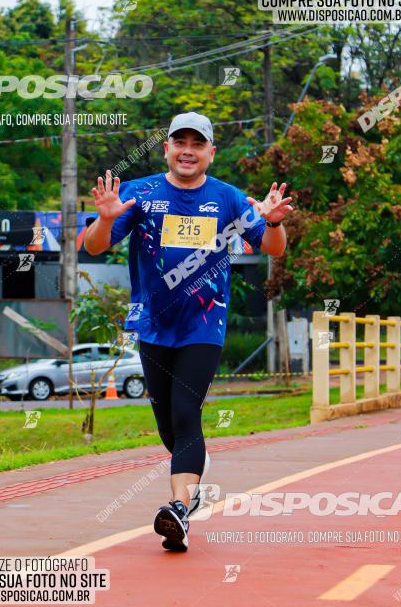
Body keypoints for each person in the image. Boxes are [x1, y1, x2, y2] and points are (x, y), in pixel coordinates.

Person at [84, 111, 292, 551]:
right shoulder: (139, 193)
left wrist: (272, 223)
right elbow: (94, 246)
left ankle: (178, 508)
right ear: (167, 149)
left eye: (198, 144)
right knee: (169, 426)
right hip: (152, 325)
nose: (188, 151)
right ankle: (191, 481)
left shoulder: (229, 199)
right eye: (180, 142)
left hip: (204, 324)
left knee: (185, 413)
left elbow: (272, 249)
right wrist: (104, 219)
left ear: (210, 153)